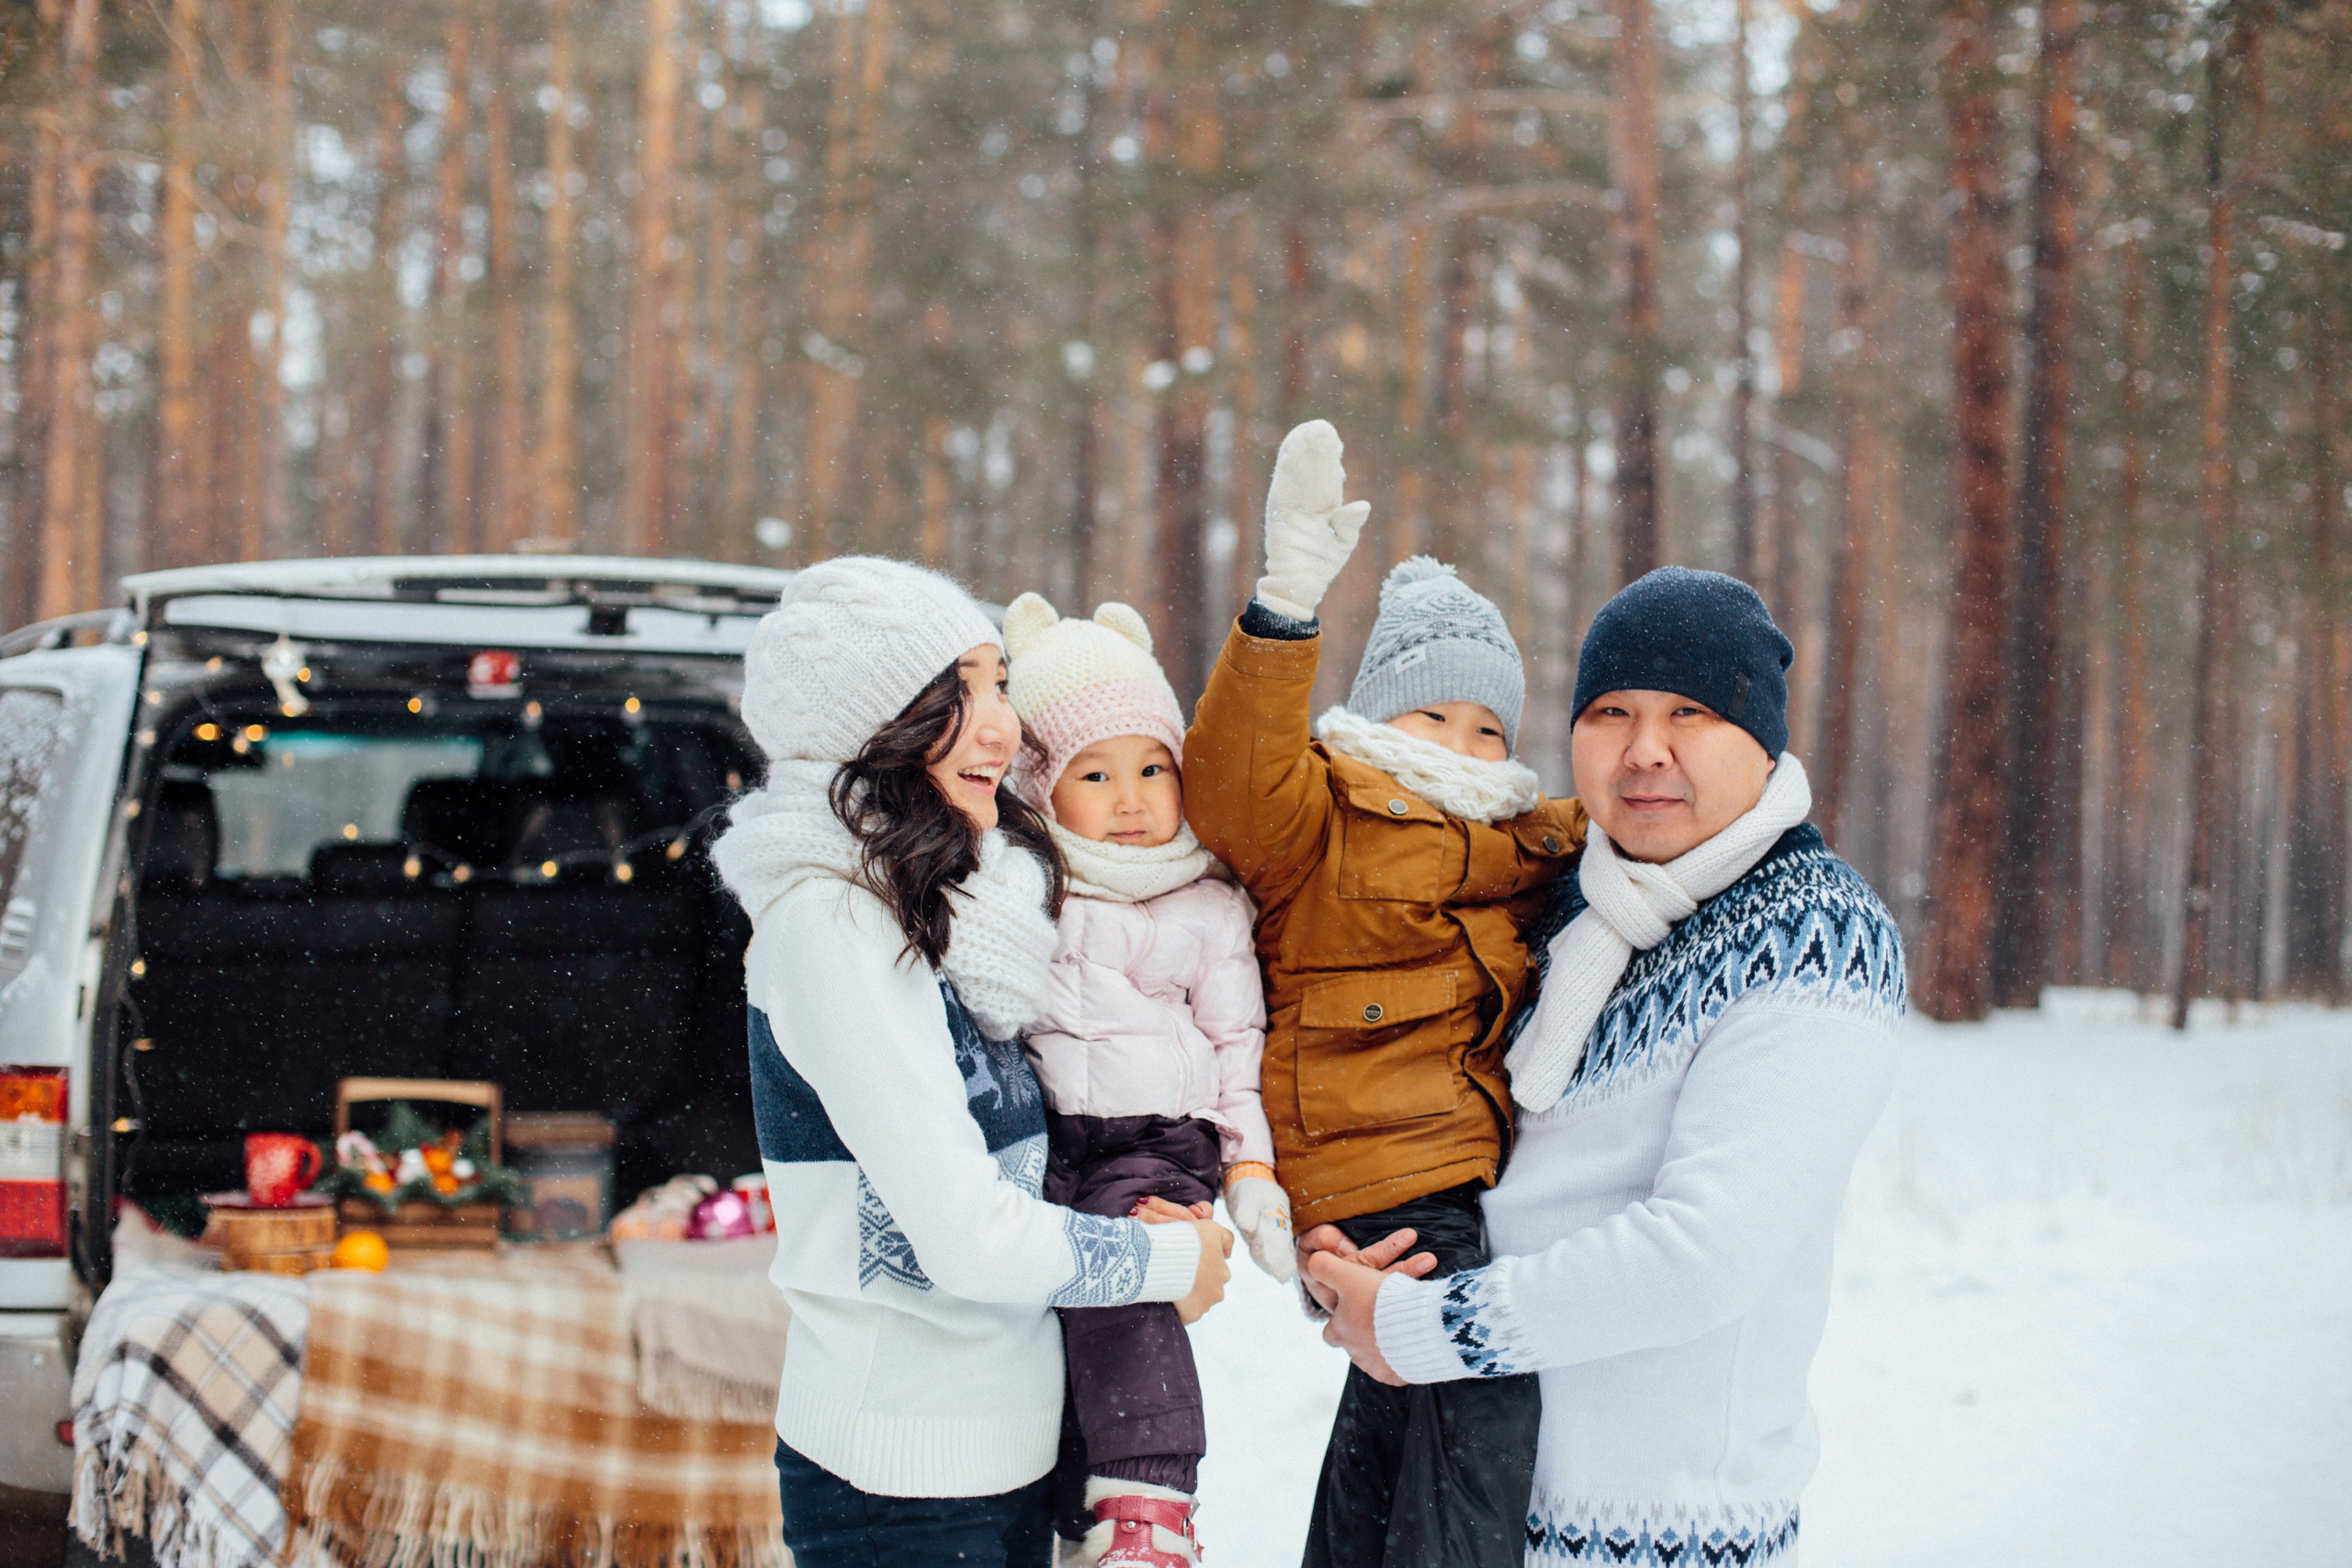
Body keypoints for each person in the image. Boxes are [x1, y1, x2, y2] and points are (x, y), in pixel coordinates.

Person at [1307, 567, 1908, 1567]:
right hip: (1453, 1491)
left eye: (1690, 713)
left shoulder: (1815, 937)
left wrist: (1423, 1325)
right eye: (1611, 712)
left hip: (1651, 1531)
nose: (1645, 750)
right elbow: (1427, 1113)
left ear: (1763, 741)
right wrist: (1357, 1256)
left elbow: (1703, 1254)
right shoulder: (1554, 901)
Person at [711, 556, 1233, 1568]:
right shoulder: (832, 925)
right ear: (879, 723)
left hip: (1008, 1459)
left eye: (1001, 685)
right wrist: (1164, 1262)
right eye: (965, 692)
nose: (1005, 725)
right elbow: (968, 1238)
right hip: (899, 1482)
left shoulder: (963, 906)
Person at [1182, 420, 1588, 1568]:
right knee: (1483, 1381)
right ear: (1377, 716)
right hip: (1372, 1177)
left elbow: (1618, 835)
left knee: (1399, 1410)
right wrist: (1283, 609)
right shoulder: (1319, 813)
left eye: (1487, 726)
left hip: (1456, 1184)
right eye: (1432, 715)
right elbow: (1230, 784)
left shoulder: (1520, 840)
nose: (1460, 742)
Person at [1001, 592, 1292, 1567]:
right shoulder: (1020, 888)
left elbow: (1238, 1046)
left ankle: (1148, 1505)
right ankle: (1071, 1516)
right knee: (1045, 1314)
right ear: (1041, 787)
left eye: (1152, 768)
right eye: (1096, 773)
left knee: (1125, 1270)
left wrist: (1249, 1174)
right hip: (1050, 1140)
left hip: (1157, 1141)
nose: (1131, 799)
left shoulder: (1206, 901)